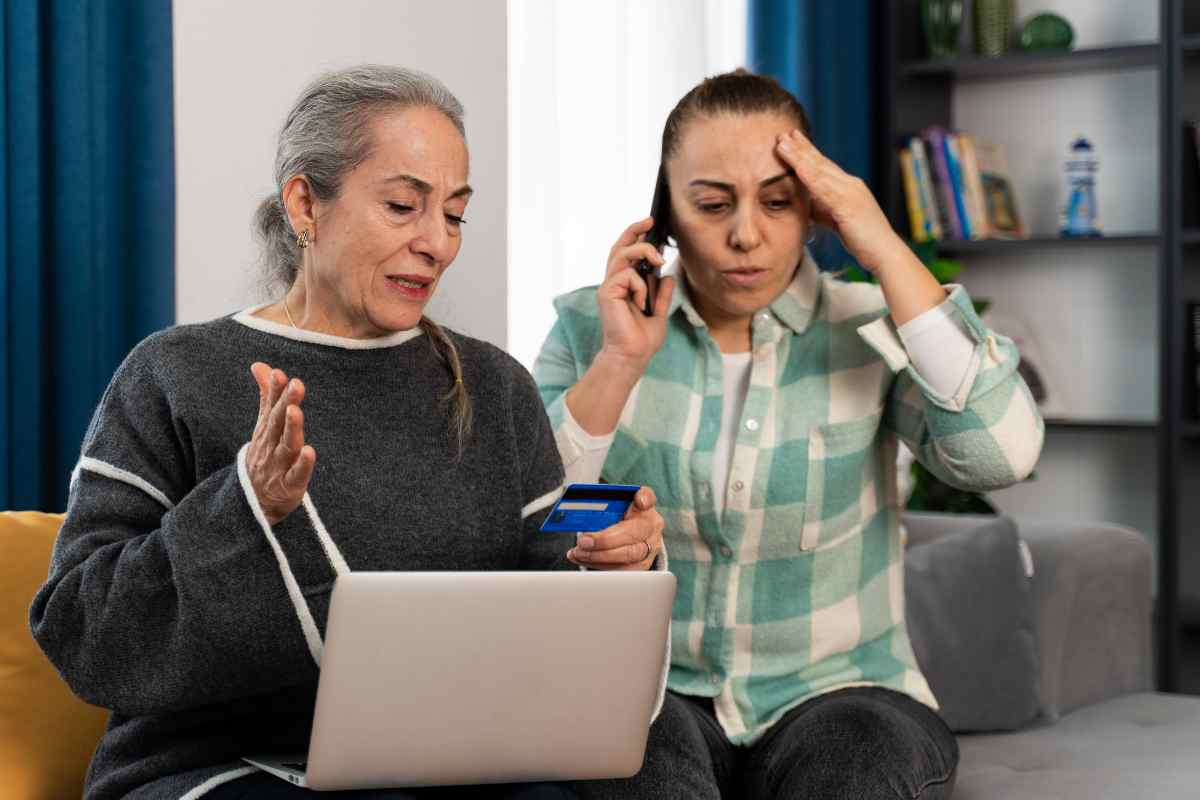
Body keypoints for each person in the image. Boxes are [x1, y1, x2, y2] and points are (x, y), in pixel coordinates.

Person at [29, 65, 666, 800]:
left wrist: (615, 567)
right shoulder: (173, 373)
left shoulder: (496, 387)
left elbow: (553, 596)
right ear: (305, 203)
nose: (438, 243)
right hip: (220, 770)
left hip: (459, 768)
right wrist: (242, 509)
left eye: (455, 215)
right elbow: (82, 629)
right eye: (403, 206)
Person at [534, 69, 1044, 799]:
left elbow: (1005, 453)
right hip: (651, 686)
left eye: (778, 202)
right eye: (711, 205)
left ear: (814, 210)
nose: (746, 234)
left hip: (846, 692)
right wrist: (620, 363)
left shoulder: (872, 324)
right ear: (664, 216)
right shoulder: (591, 328)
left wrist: (882, 247)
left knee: (853, 769)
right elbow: (530, 522)